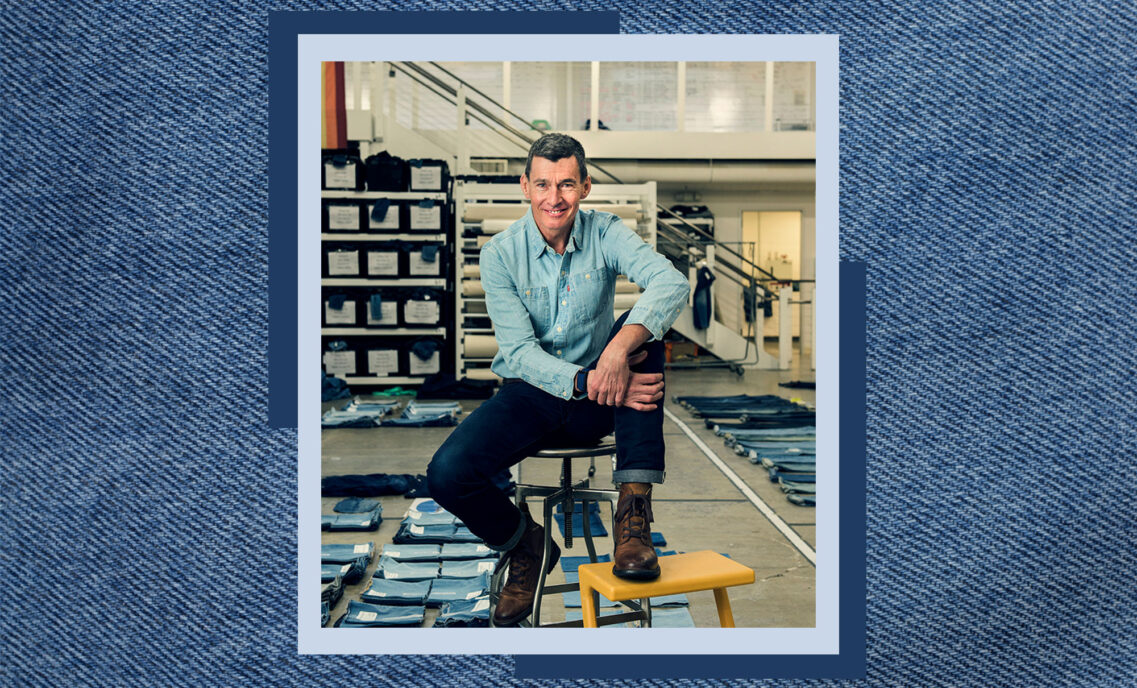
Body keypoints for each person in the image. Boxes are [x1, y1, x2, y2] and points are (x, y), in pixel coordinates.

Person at [427, 133, 690, 626]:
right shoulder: (500, 254)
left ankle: (633, 515)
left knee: (644, 335)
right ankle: (525, 545)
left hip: (602, 401)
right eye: (543, 184)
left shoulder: (605, 232)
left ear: (585, 187)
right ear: (525, 186)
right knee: (446, 475)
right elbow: (520, 354)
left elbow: (671, 281)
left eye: (567, 184)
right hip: (533, 397)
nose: (555, 198)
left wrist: (615, 352)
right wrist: (591, 378)